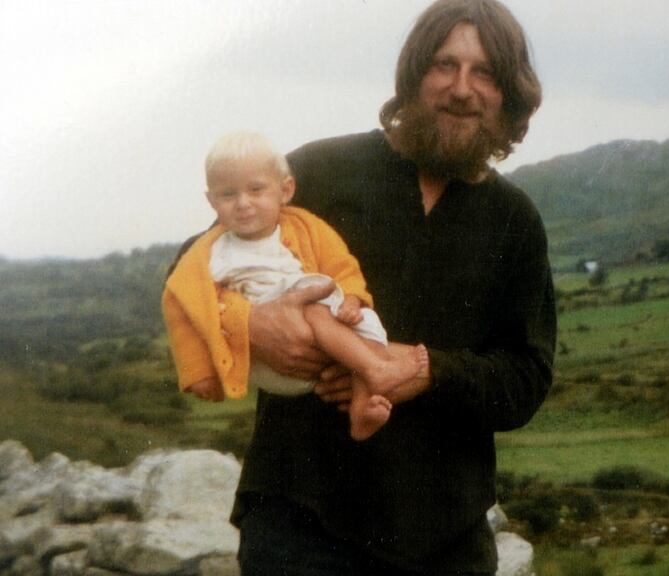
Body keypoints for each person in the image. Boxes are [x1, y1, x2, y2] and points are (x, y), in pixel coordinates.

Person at [177, 0, 555, 573]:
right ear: (412, 76)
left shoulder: (515, 220)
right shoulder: (321, 171)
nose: (461, 88)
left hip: (445, 540)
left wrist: (426, 370)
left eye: (484, 73)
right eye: (443, 65)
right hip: (300, 525)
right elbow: (190, 268)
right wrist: (251, 322)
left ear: (510, 94)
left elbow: (526, 378)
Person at [162, 132, 427, 440]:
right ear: (211, 201)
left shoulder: (306, 226)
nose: (243, 203)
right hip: (268, 358)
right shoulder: (211, 251)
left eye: (256, 189)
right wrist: (198, 372)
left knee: (365, 324)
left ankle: (361, 408)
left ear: (285, 190)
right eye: (228, 194)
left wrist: (353, 298)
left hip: (323, 352)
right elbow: (181, 302)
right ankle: (376, 370)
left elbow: (341, 265)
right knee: (315, 307)